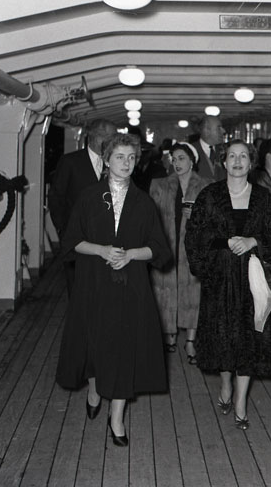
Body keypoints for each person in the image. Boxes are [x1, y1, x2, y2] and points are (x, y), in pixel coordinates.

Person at [55, 133, 171, 447]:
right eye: (120, 156)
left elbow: (159, 249)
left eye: (132, 158)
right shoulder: (89, 197)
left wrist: (131, 254)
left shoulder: (143, 202)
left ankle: (116, 418)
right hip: (93, 282)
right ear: (107, 160)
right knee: (94, 342)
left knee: (124, 348)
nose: (126, 163)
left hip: (131, 286)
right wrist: (101, 250)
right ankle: (95, 387)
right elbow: (71, 242)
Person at [185, 140, 271, 430]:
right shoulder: (209, 196)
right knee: (223, 336)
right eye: (232, 156)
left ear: (251, 163)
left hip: (254, 281)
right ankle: (226, 384)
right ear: (224, 162)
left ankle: (240, 402)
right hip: (220, 277)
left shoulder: (264, 199)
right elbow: (194, 237)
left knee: (249, 338)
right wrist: (224, 242)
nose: (238, 161)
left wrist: (253, 241)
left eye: (243, 156)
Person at [149, 142, 212, 360]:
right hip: (167, 244)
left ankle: (191, 340)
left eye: (181, 158)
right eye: (174, 159)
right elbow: (151, 217)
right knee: (164, 291)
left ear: (192, 161)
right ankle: (170, 335)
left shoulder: (206, 185)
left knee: (194, 292)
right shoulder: (159, 185)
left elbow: (215, 218)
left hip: (193, 247)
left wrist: (197, 216)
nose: (176, 163)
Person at [48, 118, 117, 295]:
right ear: (94, 136)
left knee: (105, 290)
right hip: (77, 239)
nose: (113, 142)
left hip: (108, 240)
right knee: (78, 289)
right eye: (109, 137)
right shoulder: (70, 162)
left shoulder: (116, 163)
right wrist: (63, 230)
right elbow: (56, 198)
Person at [194, 115, 226, 181]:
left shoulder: (225, 150)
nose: (223, 131)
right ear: (206, 131)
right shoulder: (189, 151)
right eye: (219, 128)